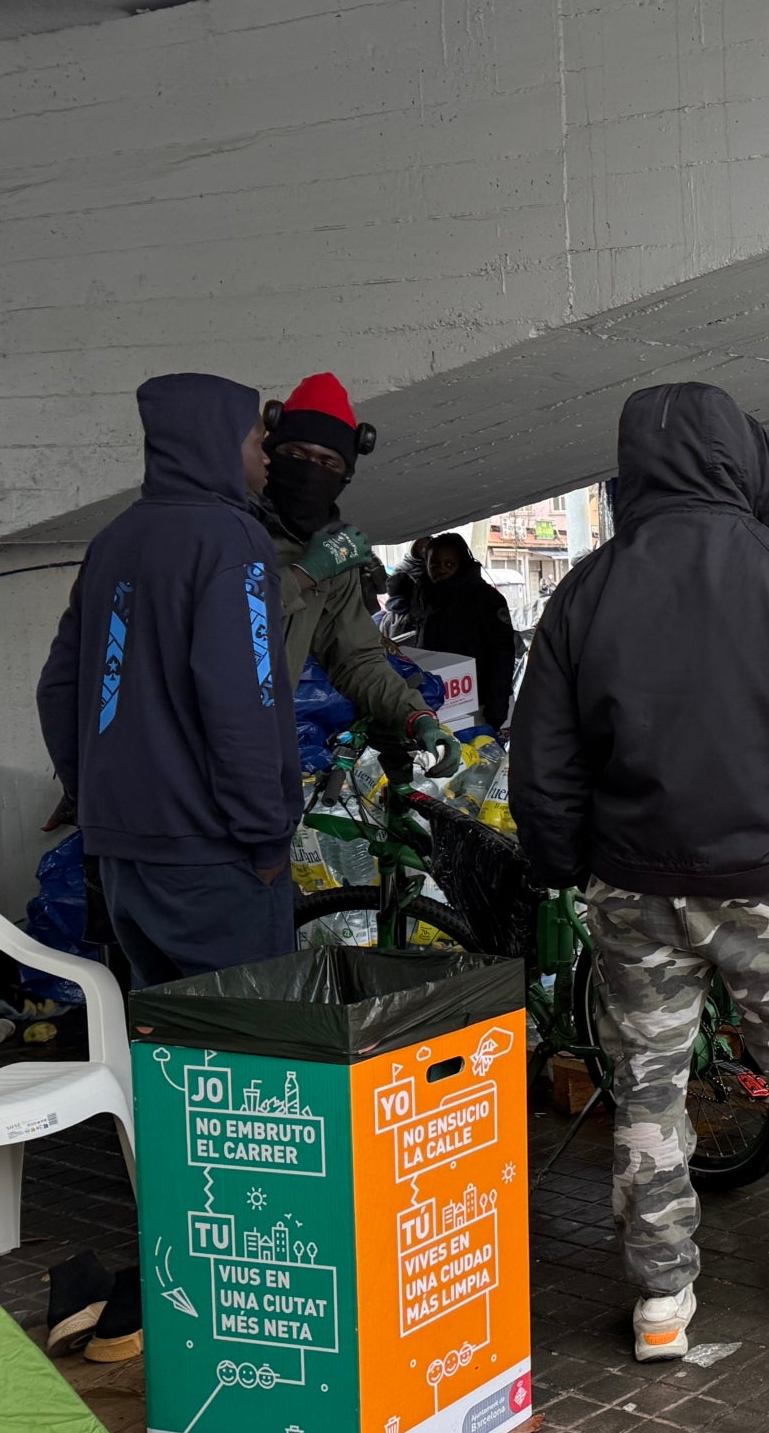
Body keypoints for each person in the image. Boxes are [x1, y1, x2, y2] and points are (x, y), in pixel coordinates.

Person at [513, 381, 769, 1363]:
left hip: (633, 888)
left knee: (647, 1087)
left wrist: (560, 862)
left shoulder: (587, 590)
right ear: (741, 459)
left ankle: (660, 1302)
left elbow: (543, 759)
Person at [36, 375, 302, 987]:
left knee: (167, 1061)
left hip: (124, 860)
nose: (266, 454)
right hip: (215, 861)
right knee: (246, 1063)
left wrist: (98, 806)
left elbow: (59, 689)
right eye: (256, 438)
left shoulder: (113, 541)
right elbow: (242, 702)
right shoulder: (232, 540)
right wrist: (265, 841)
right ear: (216, 443)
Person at [257, 374, 460, 780]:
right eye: (297, 454)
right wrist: (304, 574)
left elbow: (355, 657)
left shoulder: (336, 554)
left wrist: (414, 713)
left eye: (327, 462)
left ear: (344, 477)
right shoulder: (230, 532)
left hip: (260, 745)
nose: (310, 471)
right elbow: (219, 618)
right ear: (269, 454)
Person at [412, 534, 520, 730]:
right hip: (442, 700)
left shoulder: (485, 598)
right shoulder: (426, 595)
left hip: (482, 703)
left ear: (461, 563)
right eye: (434, 563)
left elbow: (502, 653)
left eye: (449, 564)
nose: (441, 570)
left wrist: (497, 706)